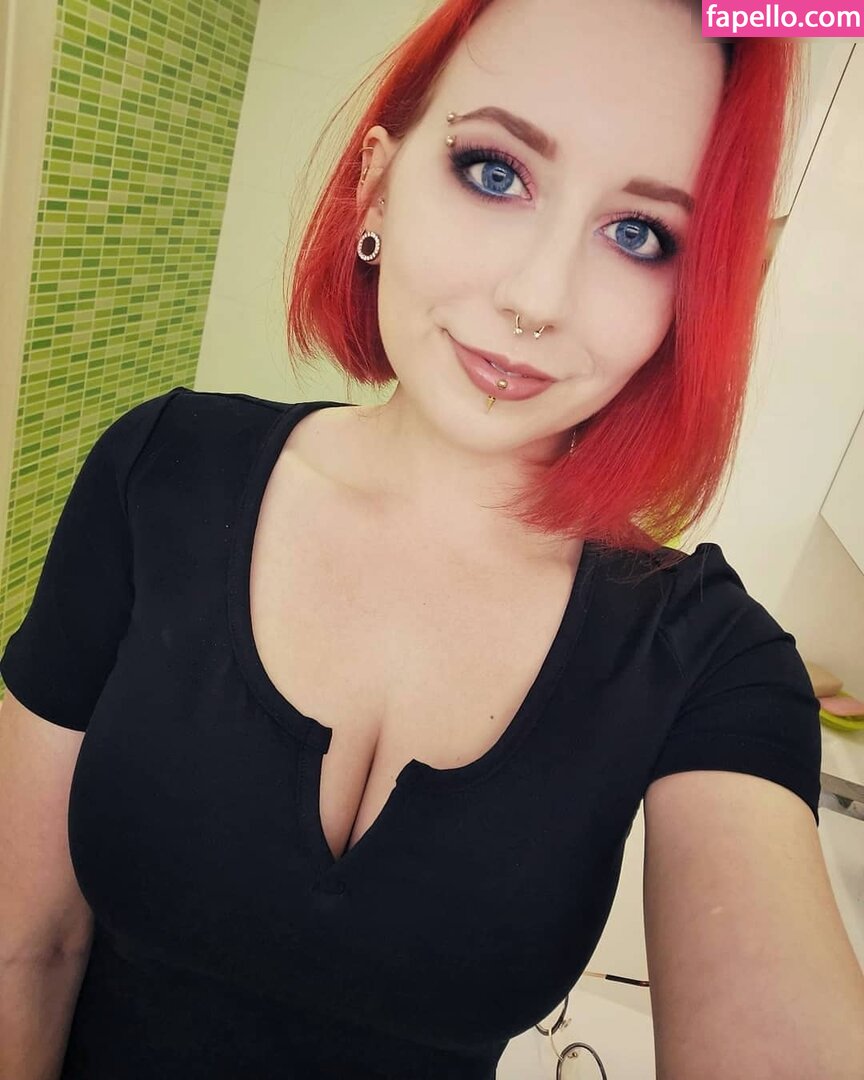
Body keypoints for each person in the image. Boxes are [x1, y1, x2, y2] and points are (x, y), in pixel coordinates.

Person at [2, 0, 863, 1077]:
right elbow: (25, 944)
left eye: (640, 234)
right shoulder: (158, 472)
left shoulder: (711, 663)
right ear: (377, 183)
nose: (536, 299)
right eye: (495, 173)